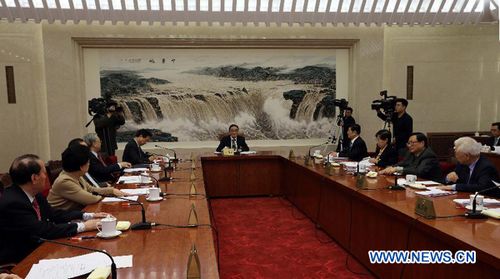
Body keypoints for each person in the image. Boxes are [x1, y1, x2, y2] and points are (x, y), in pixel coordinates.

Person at [0, 154, 107, 265]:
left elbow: (54, 214)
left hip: (41, 249)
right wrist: (84, 226)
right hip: (21, 260)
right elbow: (43, 230)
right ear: (34, 178)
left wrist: (87, 216)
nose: (46, 176)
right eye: (44, 172)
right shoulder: (13, 203)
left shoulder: (34, 194)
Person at [48, 145, 126, 211]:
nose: (89, 164)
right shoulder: (64, 181)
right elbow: (90, 199)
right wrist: (110, 195)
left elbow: (91, 189)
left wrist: (111, 190)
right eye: (88, 162)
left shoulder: (76, 174)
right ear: (82, 167)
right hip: (62, 221)